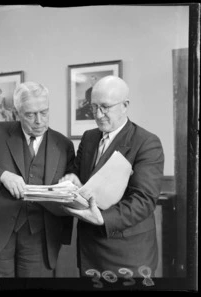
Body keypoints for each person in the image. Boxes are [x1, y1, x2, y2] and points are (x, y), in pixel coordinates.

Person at [0, 81, 75, 277]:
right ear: (17, 113)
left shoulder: (64, 144)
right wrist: (2, 176)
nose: (39, 120)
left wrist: (71, 182)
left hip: (41, 237)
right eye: (30, 114)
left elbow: (72, 184)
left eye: (44, 112)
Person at [60, 75, 164, 278]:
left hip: (127, 254)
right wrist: (74, 181)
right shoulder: (89, 138)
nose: (98, 115)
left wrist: (102, 219)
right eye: (94, 107)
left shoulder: (147, 143)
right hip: (89, 248)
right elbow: (85, 183)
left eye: (105, 107)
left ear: (125, 105)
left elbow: (143, 201)